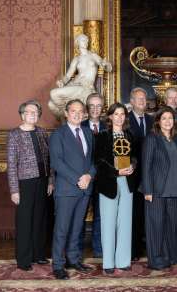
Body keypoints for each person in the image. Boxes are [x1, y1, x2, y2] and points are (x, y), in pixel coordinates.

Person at [49, 99, 95, 280]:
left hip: (85, 188)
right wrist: (78, 179)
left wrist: (89, 176)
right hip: (67, 189)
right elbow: (57, 162)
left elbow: (93, 160)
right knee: (62, 228)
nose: (77, 114)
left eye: (80, 111)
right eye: (73, 111)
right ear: (66, 113)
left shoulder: (88, 132)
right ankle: (58, 265)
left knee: (77, 227)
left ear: (84, 113)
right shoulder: (58, 134)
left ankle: (73, 259)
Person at [7, 100, 52, 271]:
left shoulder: (42, 132)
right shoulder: (14, 134)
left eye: (36, 112)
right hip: (24, 183)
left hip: (42, 181)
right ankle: (24, 259)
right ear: (22, 114)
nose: (33, 114)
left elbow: (49, 159)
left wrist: (50, 181)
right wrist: (14, 190)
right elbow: (11, 164)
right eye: (29, 112)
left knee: (40, 219)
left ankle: (39, 255)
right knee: (25, 221)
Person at [95, 103, 136, 274]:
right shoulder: (102, 135)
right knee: (108, 222)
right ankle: (108, 262)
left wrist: (133, 165)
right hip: (109, 183)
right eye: (116, 114)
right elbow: (99, 161)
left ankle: (123, 260)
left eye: (122, 114)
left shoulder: (130, 135)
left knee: (125, 222)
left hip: (127, 182)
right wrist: (116, 171)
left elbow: (135, 156)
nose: (119, 117)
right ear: (110, 117)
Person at [140, 106, 177, 270]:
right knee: (156, 225)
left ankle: (170, 256)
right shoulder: (152, 138)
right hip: (156, 190)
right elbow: (146, 165)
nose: (167, 121)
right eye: (164, 118)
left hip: (173, 189)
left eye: (170, 118)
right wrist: (148, 190)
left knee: (170, 225)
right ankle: (155, 259)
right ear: (158, 121)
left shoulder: (174, 139)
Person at [48, 34, 112, 117]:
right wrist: (62, 82)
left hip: (85, 87)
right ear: (77, 43)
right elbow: (67, 76)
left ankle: (68, 113)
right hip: (75, 84)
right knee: (51, 103)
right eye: (83, 40)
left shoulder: (93, 56)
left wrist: (105, 64)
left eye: (86, 40)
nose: (85, 42)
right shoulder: (76, 59)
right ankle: (69, 113)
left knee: (53, 94)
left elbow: (109, 68)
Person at [78, 93, 106, 259]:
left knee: (100, 215)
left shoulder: (108, 127)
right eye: (92, 106)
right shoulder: (79, 126)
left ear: (102, 108)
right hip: (84, 177)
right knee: (80, 215)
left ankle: (99, 249)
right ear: (87, 108)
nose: (95, 109)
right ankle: (77, 250)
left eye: (98, 106)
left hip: (102, 179)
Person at [128, 87, 154, 261]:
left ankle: (150, 245)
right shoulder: (125, 120)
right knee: (135, 212)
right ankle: (134, 249)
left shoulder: (153, 120)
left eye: (144, 99)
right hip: (133, 173)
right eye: (138, 99)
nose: (142, 102)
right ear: (131, 102)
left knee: (151, 211)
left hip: (152, 172)